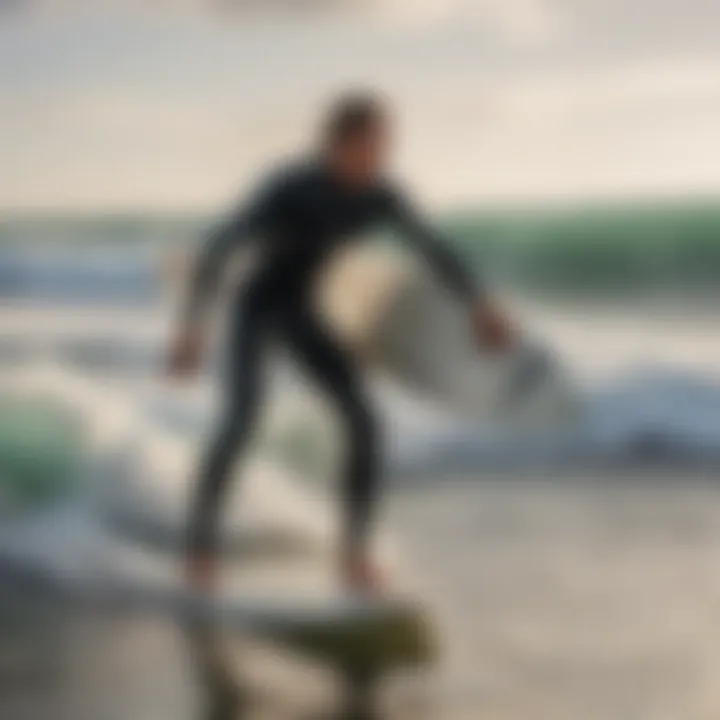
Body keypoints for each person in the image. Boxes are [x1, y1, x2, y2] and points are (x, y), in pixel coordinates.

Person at [167, 91, 511, 594]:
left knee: (366, 421)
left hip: (306, 313)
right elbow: (223, 245)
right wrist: (193, 327)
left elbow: (432, 246)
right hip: (259, 307)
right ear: (337, 145)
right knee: (242, 417)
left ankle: (353, 556)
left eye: (384, 146)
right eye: (371, 146)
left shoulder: (379, 194)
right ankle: (200, 548)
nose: (381, 157)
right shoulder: (289, 187)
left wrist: (479, 304)